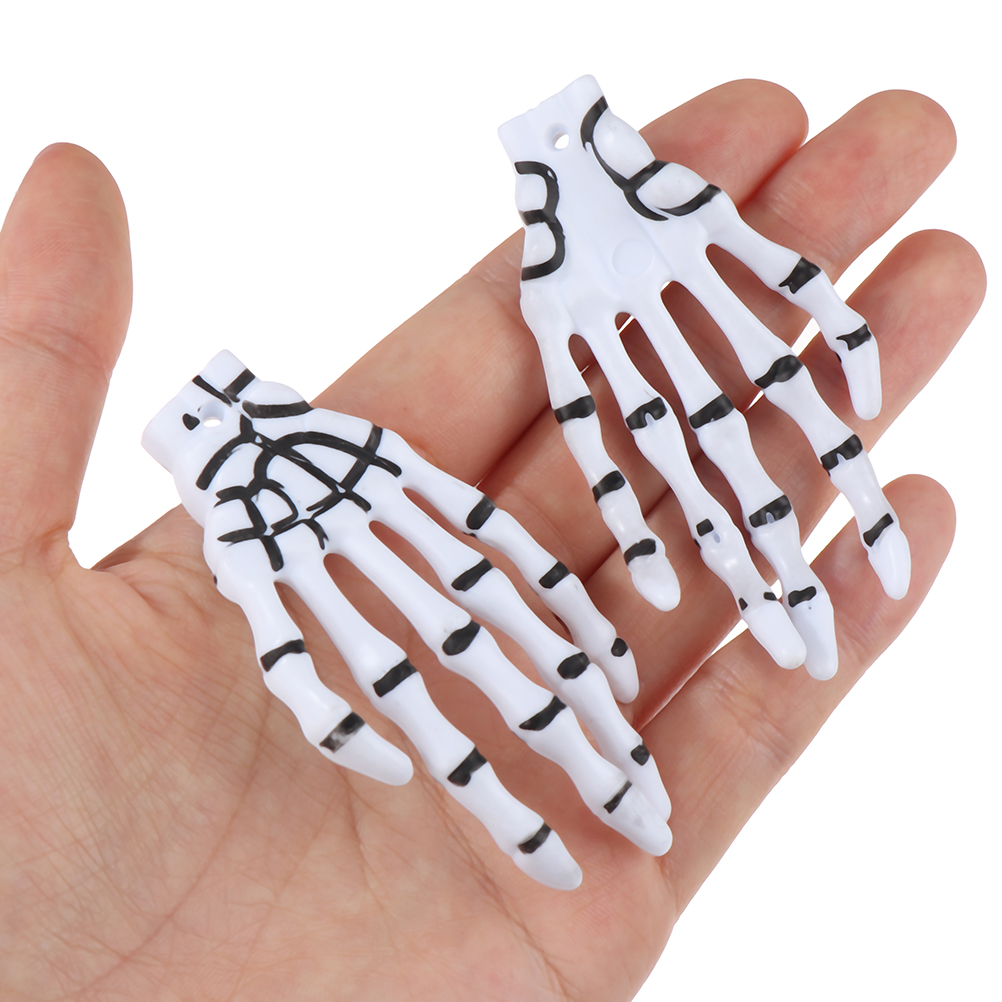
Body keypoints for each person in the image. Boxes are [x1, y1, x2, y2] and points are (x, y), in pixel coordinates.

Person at [0, 80, 983, 1000]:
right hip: (357, 495)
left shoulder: (580, 253)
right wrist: (317, 693)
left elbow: (475, 510)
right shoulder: (276, 492)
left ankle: (657, 679)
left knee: (559, 559)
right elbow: (457, 521)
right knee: (513, 593)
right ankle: (626, 709)